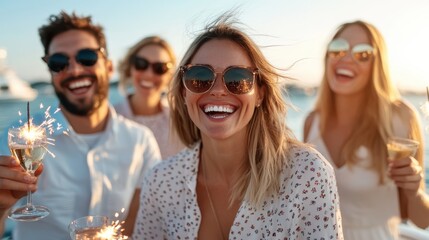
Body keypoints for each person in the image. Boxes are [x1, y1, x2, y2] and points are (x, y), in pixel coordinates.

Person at [132, 13, 343, 239]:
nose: (218, 90)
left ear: (260, 94)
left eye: (237, 78)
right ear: (184, 92)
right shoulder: (160, 182)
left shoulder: (307, 175)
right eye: (200, 76)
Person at [0, 11, 161, 239]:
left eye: (87, 57)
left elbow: (137, 227)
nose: (74, 70)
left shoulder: (141, 142)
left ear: (109, 67)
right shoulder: (15, 138)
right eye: (58, 62)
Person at [304, 20, 429, 239]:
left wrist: (414, 190)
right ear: (327, 57)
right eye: (338, 49)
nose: (346, 58)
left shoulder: (400, 118)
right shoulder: (312, 122)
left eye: (363, 54)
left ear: (377, 65)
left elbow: (421, 220)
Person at [115, 36, 185, 159]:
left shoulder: (182, 122)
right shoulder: (110, 119)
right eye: (141, 64)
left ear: (170, 75)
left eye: (160, 68)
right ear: (129, 67)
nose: (149, 74)